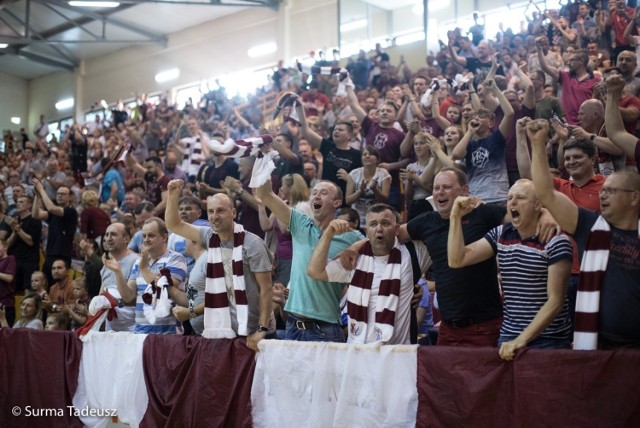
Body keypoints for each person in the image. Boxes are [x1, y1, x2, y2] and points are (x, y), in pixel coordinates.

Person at [528, 118, 640, 350]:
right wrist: (538, 145)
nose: (603, 195)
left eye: (612, 191)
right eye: (604, 191)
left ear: (634, 197)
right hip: (600, 346)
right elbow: (546, 194)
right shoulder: (590, 226)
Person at [447, 181, 573, 360]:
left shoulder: (556, 241)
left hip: (549, 339)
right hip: (509, 337)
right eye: (509, 198)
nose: (512, 202)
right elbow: (456, 260)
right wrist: (455, 217)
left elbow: (556, 301)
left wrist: (522, 339)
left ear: (538, 205)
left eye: (520, 198)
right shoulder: (501, 234)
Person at [164, 180, 273, 350]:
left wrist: (262, 329)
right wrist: (172, 195)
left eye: (221, 211)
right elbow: (174, 224)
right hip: (223, 330)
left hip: (251, 333)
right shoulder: (210, 236)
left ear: (233, 212)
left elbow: (266, 289)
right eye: (211, 211)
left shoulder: (252, 244)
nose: (215, 216)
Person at [256, 178, 362, 342]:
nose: (317, 196)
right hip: (293, 325)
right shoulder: (300, 223)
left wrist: (355, 247)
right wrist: (262, 158)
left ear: (337, 202)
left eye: (324, 193)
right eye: (314, 193)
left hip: (325, 328)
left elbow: (375, 242)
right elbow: (266, 194)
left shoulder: (349, 234)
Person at [307, 204, 430, 344]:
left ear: (397, 229)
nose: (379, 228)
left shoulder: (413, 254)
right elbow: (315, 271)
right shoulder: (354, 259)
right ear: (366, 231)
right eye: (373, 224)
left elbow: (435, 228)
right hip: (358, 353)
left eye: (385, 223)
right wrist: (329, 233)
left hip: (396, 356)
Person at [452, 79, 515, 205]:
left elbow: (509, 114)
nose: (476, 118)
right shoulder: (470, 144)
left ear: (491, 123)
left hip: (498, 197)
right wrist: (469, 132)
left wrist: (495, 90)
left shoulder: (497, 137)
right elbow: (456, 155)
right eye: (475, 117)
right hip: (475, 200)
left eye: (481, 116)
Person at [126, 217, 188, 334]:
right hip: (140, 332)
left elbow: (163, 290)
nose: (146, 240)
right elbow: (128, 296)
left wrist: (143, 269)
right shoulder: (139, 262)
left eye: (151, 236)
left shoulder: (175, 258)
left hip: (168, 334)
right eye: (144, 236)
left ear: (164, 237)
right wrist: (117, 272)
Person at [537, 40, 601, 125]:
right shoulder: (565, 77)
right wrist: (539, 48)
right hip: (568, 125)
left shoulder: (596, 80)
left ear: (581, 61)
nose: (568, 63)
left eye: (572, 60)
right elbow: (544, 67)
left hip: (587, 125)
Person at [32, 179, 78, 287]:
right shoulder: (53, 213)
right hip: (50, 254)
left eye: (63, 194)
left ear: (69, 197)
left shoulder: (70, 211)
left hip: (62, 255)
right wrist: (37, 195)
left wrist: (41, 190)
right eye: (58, 194)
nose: (60, 196)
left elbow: (51, 208)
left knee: (59, 287)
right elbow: (35, 214)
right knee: (46, 286)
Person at [99, 222, 140, 332]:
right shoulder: (105, 266)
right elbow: (101, 296)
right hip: (110, 328)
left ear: (126, 239)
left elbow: (133, 298)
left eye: (113, 234)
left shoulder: (136, 261)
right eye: (106, 235)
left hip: (133, 328)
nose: (108, 238)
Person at [345, 145, 391, 227]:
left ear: (378, 159)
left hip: (377, 218)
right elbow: (348, 200)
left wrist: (375, 189)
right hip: (357, 218)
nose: (367, 156)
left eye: (371, 154)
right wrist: (360, 191)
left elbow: (385, 199)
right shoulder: (354, 174)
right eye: (364, 154)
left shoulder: (383, 173)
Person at [6, 195, 40, 294]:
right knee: (12, 290)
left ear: (29, 205)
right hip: (15, 259)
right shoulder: (14, 221)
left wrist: (17, 228)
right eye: (17, 202)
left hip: (29, 261)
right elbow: (7, 244)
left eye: (21, 202)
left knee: (28, 290)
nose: (18, 204)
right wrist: (14, 230)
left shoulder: (34, 220)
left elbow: (30, 241)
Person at [0, 240, 16, 327]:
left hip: (5, 305)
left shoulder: (10, 258)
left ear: (5, 247)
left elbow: (9, 278)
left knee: (5, 335)